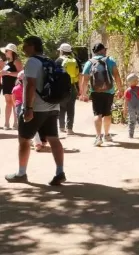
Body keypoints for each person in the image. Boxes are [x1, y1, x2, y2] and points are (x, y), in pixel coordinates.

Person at [5, 35, 66, 185]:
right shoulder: (49, 60)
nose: (23, 48)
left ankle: (21, 173)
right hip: (53, 106)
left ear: (33, 46)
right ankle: (60, 171)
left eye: (26, 45)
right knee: (53, 138)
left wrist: (28, 108)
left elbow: (30, 85)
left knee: (24, 140)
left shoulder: (32, 62)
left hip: (37, 107)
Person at [80, 42, 123, 147]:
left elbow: (85, 79)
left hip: (96, 92)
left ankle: (98, 137)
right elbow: (116, 75)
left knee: (97, 114)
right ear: (103, 50)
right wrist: (120, 89)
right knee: (107, 113)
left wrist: (83, 93)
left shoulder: (89, 62)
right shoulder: (110, 60)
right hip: (109, 91)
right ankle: (107, 135)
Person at [56, 43, 80, 135]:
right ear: (70, 51)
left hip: (61, 87)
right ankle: (70, 129)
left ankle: (61, 127)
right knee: (71, 107)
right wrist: (79, 88)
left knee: (61, 107)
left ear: (61, 51)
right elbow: (79, 74)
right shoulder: (75, 60)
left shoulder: (58, 61)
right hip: (72, 86)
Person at [1, 43, 23, 130]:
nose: (5, 53)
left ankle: (16, 123)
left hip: (14, 85)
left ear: (11, 51)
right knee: (8, 103)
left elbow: (20, 73)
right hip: (6, 85)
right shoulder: (7, 62)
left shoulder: (16, 61)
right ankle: (6, 123)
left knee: (15, 103)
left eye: (6, 51)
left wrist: (8, 73)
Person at [123, 73, 139, 139]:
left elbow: (126, 101)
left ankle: (131, 134)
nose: (138, 81)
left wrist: (125, 109)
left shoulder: (127, 91)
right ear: (133, 81)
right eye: (137, 80)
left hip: (131, 108)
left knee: (131, 120)